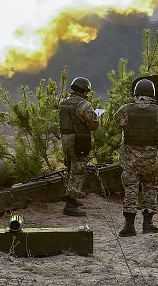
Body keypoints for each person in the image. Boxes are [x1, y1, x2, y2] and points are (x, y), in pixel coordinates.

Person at [114, 78, 158, 237]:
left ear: (136, 93)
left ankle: (129, 226)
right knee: (150, 190)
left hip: (130, 161)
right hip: (152, 161)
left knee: (130, 191)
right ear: (152, 93)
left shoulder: (125, 110)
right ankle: (148, 224)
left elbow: (117, 122)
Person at [58, 76, 100, 216]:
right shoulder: (84, 105)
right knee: (78, 171)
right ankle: (70, 204)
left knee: (70, 168)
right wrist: (97, 117)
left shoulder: (63, 103)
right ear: (85, 91)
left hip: (66, 140)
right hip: (79, 141)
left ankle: (72, 198)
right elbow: (93, 125)